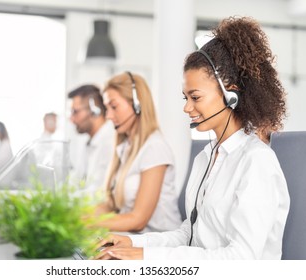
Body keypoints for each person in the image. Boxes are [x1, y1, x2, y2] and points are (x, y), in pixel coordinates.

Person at [96, 17, 290, 259]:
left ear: (231, 95)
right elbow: (188, 234)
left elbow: (242, 259)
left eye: (195, 97)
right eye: (185, 98)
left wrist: (146, 257)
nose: (187, 108)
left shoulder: (256, 161)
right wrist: (133, 243)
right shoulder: (206, 157)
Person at [95, 72, 182, 233]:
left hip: (159, 247)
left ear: (137, 105)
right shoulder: (126, 147)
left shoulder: (155, 148)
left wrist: (89, 223)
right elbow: (111, 205)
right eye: (106, 108)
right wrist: (75, 216)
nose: (108, 116)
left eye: (113, 107)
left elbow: (138, 220)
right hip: (131, 241)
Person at [68, 84, 115, 196]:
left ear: (95, 110)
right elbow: (77, 181)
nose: (71, 119)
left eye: (75, 112)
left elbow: (99, 192)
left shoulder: (110, 142)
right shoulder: (89, 143)